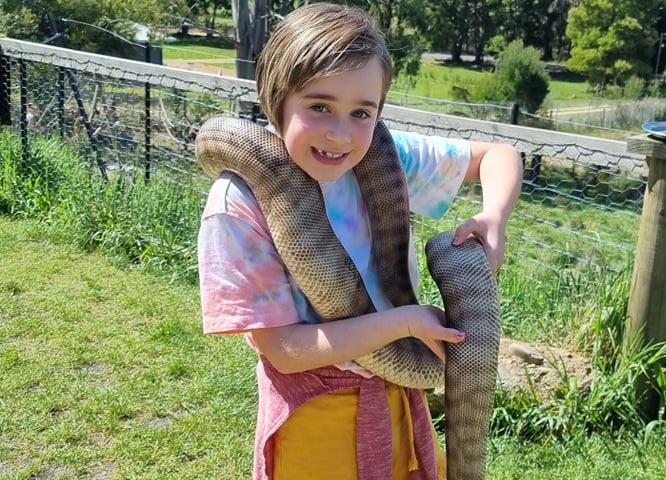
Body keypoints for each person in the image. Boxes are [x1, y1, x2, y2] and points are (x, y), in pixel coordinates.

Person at [197, 3, 522, 479]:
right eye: (319, 106)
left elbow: (498, 154)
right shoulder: (239, 203)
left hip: (400, 397)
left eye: (361, 112)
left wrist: (494, 216)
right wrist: (405, 321)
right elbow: (284, 350)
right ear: (275, 98)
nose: (339, 133)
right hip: (315, 415)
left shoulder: (379, 156)